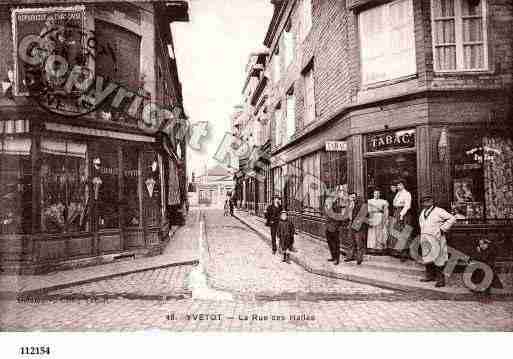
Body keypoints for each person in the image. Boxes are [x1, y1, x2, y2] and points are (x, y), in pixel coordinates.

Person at [418, 195, 457, 287]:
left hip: (436, 238)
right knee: (427, 257)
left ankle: (440, 279)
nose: (426, 203)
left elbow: (452, 218)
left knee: (438, 258)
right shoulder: (423, 212)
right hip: (425, 238)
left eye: (428, 201)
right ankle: (430, 276)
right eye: (424, 201)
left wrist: (442, 229)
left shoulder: (439, 211)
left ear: (432, 201)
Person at [389, 179, 413, 260]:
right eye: (397, 185)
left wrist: (401, 214)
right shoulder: (398, 193)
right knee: (397, 232)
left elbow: (407, 205)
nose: (398, 186)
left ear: (403, 185)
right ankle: (398, 251)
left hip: (403, 213)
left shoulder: (407, 194)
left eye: (399, 185)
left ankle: (404, 253)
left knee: (404, 232)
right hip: (397, 212)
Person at [325, 186, 348, 265]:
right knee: (330, 243)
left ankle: (336, 259)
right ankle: (333, 256)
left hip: (334, 228)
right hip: (328, 227)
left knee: (336, 244)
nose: (330, 199)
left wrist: (337, 226)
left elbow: (339, 217)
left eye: (332, 197)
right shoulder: (327, 205)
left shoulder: (336, 206)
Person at [344, 193, 367, 265]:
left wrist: (358, 224)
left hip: (358, 225)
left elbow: (364, 215)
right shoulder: (349, 205)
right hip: (351, 224)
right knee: (350, 240)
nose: (353, 198)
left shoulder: (361, 205)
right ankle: (350, 256)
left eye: (354, 197)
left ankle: (359, 258)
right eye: (351, 197)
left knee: (358, 242)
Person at [367, 189, 389, 254]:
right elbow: (368, 211)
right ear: (373, 194)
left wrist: (386, 219)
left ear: (380, 194)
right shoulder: (370, 201)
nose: (376, 195)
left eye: (378, 193)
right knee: (372, 232)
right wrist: (369, 219)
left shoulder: (383, 201)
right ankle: (373, 248)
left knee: (380, 232)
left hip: (380, 217)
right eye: (375, 193)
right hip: (373, 217)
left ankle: (380, 248)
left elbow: (386, 211)